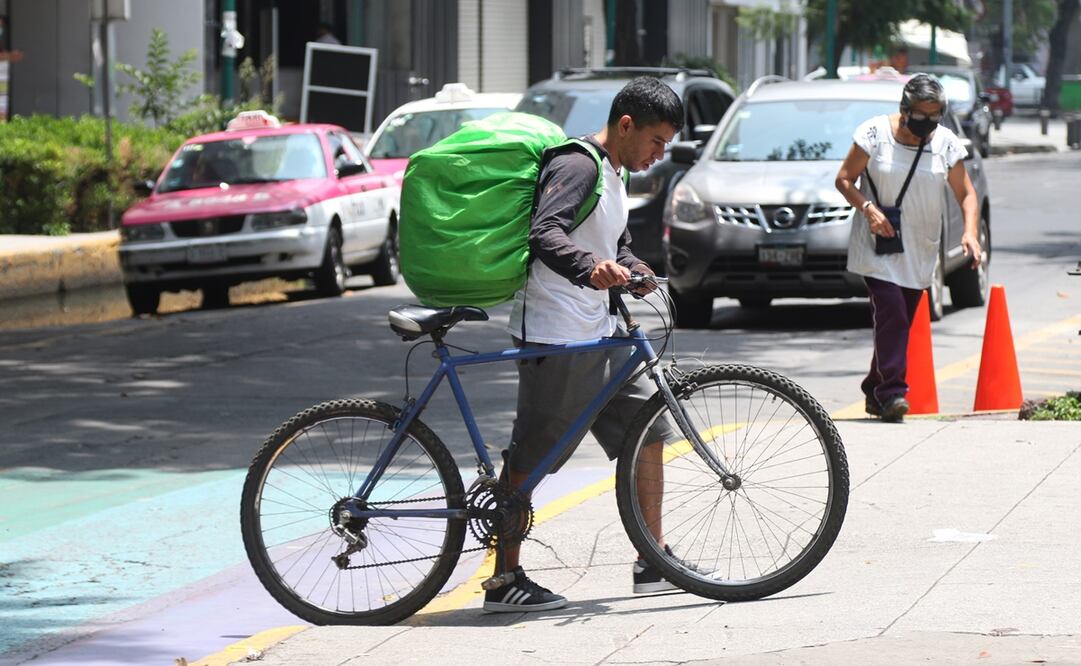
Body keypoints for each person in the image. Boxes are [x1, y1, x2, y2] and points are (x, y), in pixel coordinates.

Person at [481, 77, 686, 612]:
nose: (659, 154)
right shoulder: (578, 164)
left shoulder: (615, 174)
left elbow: (613, 241)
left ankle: (654, 560)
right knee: (534, 456)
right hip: (560, 331)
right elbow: (545, 232)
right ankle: (504, 580)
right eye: (656, 142)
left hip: (601, 330)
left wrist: (635, 270)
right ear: (625, 126)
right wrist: (589, 269)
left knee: (649, 429)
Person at [835, 74, 981, 423]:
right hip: (878, 243)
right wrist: (867, 209)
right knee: (893, 314)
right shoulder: (874, 134)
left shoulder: (944, 143)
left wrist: (971, 233)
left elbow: (967, 194)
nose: (927, 125)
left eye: (935, 117)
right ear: (905, 110)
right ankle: (892, 393)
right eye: (921, 116)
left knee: (895, 324)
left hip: (920, 246)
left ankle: (874, 387)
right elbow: (843, 178)